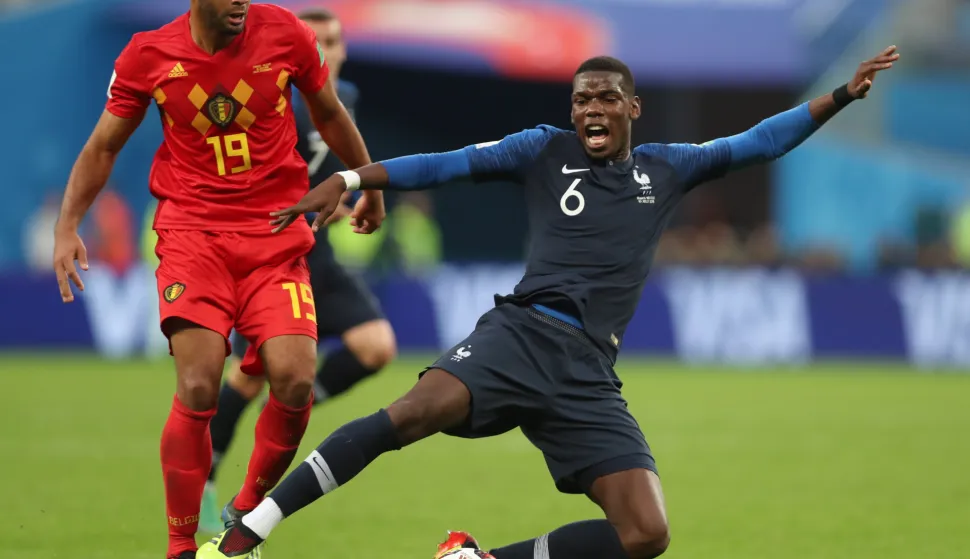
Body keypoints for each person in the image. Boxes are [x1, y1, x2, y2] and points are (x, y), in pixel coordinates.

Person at [199, 47, 899, 559]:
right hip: (519, 335)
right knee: (407, 416)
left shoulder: (668, 168)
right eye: (581, 100)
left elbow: (759, 142)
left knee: (646, 533)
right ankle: (251, 529)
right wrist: (353, 177)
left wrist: (841, 94)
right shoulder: (542, 151)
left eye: (605, 99)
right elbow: (446, 164)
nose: (591, 109)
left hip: (588, 372)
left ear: (632, 108)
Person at [51, 1, 384, 558]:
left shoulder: (286, 34)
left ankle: (245, 509)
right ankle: (181, 546)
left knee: (294, 379)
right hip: (194, 239)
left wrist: (366, 182)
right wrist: (67, 225)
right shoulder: (148, 55)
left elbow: (328, 113)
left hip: (274, 235)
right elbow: (105, 145)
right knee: (200, 385)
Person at [200, 6, 397, 533]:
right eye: (316, 42)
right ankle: (205, 481)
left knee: (375, 346)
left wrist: (342, 197)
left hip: (317, 252)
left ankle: (292, 401)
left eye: (333, 41)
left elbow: (330, 167)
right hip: (270, 255)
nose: (325, 51)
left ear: (344, 48)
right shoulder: (271, 95)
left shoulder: (345, 98)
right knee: (246, 380)